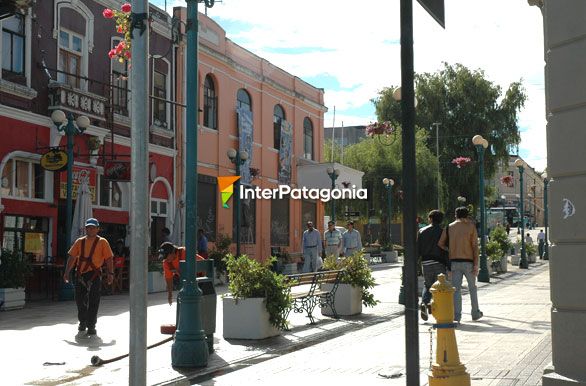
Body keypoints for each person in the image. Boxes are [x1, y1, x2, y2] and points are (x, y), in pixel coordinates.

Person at [63, 218, 114, 336]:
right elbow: (72, 257)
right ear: (85, 228)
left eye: (93, 227)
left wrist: (110, 274)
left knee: (94, 300)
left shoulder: (103, 242)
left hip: (94, 274)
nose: (90, 229)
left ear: (97, 229)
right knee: (79, 300)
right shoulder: (79, 241)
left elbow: (109, 258)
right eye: (88, 227)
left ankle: (91, 325)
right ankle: (82, 321)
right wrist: (66, 272)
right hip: (80, 274)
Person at [438, 207, 483, 324]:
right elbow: (474, 247)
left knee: (456, 290)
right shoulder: (471, 227)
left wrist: (450, 249)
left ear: (455, 215)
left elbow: (440, 243)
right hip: (468, 262)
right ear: (467, 216)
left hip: (454, 262)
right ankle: (475, 313)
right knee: (472, 288)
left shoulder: (449, 227)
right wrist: (476, 265)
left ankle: (457, 316)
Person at [417, 210, 449, 321]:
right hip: (439, 262)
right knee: (441, 287)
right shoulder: (443, 232)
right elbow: (445, 248)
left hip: (425, 262)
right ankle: (439, 310)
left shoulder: (422, 231)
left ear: (430, 218)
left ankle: (424, 303)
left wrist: (417, 263)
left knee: (428, 285)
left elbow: (418, 249)